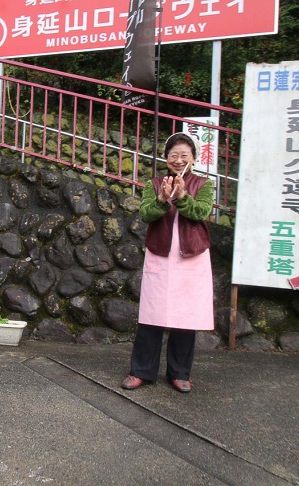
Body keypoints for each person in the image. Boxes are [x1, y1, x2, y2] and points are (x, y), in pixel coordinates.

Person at [122, 132, 215, 394]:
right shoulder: (153, 183)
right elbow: (145, 214)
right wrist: (162, 200)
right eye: (173, 155)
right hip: (160, 254)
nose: (178, 159)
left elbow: (201, 213)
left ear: (194, 158)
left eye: (184, 155)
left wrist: (183, 197)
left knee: (185, 317)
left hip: (192, 256)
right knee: (151, 315)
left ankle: (180, 373)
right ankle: (141, 371)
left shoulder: (204, 184)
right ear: (166, 158)